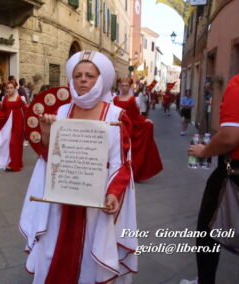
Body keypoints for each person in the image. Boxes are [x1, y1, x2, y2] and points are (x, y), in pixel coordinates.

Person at [19, 50, 137, 284]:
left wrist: (113, 193)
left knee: (90, 252)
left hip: (96, 198)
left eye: (90, 75)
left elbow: (120, 163)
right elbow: (50, 156)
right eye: (78, 75)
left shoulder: (116, 115)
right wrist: (45, 133)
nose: (83, 80)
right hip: (63, 195)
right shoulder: (63, 111)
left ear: (101, 79)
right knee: (54, 247)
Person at [184, 47, 239, 284]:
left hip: (238, 174)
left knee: (207, 232)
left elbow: (231, 136)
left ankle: (205, 281)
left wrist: (204, 150)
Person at [114, 78, 163, 182]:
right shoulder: (115, 99)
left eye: (126, 85)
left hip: (131, 128)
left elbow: (136, 115)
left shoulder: (133, 99)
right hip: (118, 128)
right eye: (122, 85)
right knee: (117, 151)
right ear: (119, 86)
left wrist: (146, 121)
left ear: (130, 86)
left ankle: (134, 172)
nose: (124, 87)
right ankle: (118, 172)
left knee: (131, 151)